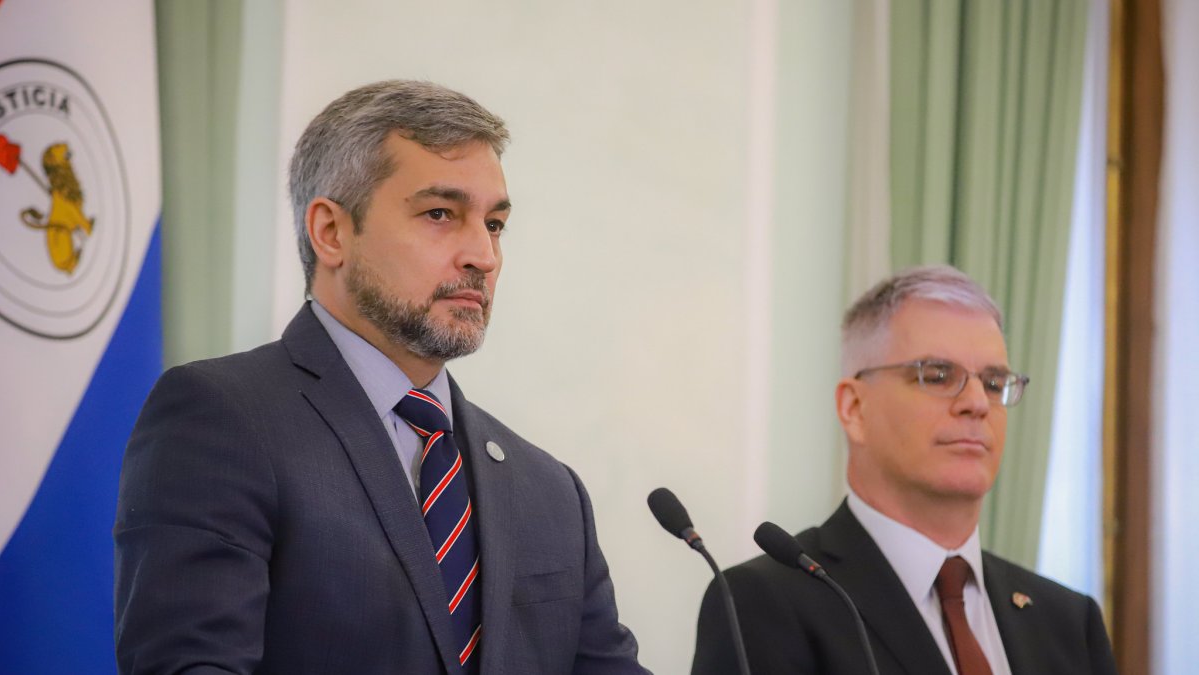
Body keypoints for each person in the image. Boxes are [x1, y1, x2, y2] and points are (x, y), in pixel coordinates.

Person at [114, 80, 647, 675]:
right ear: (331, 232)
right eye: (440, 214)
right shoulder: (223, 417)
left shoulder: (550, 490)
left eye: (495, 224)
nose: (483, 255)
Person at [691, 265, 1116, 675]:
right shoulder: (765, 603)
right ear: (855, 408)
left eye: (993, 383)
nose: (977, 403)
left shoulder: (1068, 622)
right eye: (938, 375)